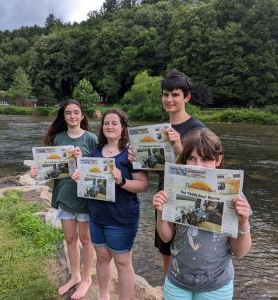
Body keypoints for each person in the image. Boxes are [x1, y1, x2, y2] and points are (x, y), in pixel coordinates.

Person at [153, 128, 252, 300]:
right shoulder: (175, 188)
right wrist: (161, 213)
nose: (198, 166)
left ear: (218, 160)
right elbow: (167, 237)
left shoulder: (234, 195)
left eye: (206, 159)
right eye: (192, 158)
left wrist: (243, 223)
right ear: (185, 160)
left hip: (216, 285)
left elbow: (240, 252)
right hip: (177, 280)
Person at [128, 68, 205, 273]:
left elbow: (206, 171)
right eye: (166, 94)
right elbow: (159, 169)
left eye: (175, 95)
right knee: (165, 250)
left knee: (191, 249)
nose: (169, 99)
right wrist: (138, 160)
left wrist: (180, 148)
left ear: (186, 97)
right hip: (163, 196)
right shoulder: (159, 130)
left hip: (190, 197)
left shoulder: (197, 129)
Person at [72, 109, 148, 300]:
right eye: (106, 123)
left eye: (115, 123)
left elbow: (142, 185)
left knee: (123, 264)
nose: (110, 126)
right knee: (103, 259)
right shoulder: (97, 151)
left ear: (123, 127)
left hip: (121, 218)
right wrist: (80, 179)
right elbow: (91, 183)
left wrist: (121, 180)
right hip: (97, 216)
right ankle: (103, 296)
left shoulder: (131, 153)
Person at [31, 99, 97, 299]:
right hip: (64, 194)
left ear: (82, 115)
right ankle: (75, 275)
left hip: (85, 197)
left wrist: (80, 160)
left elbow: (99, 169)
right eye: (68, 113)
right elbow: (50, 169)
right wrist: (37, 172)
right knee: (70, 239)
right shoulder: (58, 138)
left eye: (76, 112)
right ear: (64, 116)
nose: (73, 116)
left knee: (86, 240)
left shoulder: (91, 139)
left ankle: (87, 278)